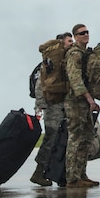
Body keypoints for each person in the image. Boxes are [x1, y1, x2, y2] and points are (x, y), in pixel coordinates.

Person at [31, 31, 73, 186]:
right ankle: (38, 172)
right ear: (61, 42)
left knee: (64, 141)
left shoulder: (63, 62)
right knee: (51, 139)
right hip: (52, 107)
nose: (72, 44)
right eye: (69, 41)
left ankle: (61, 174)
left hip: (61, 106)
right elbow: (40, 85)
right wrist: (40, 106)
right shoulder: (50, 63)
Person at [64, 23, 100, 187]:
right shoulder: (74, 54)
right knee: (75, 138)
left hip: (84, 102)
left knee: (86, 138)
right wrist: (89, 99)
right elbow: (75, 80)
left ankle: (81, 174)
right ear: (75, 37)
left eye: (87, 32)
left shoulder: (86, 53)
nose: (85, 35)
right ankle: (72, 178)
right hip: (74, 102)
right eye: (81, 33)